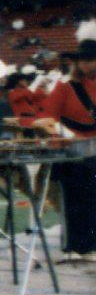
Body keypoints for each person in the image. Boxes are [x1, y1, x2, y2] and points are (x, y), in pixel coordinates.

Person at [31, 20, 96, 259]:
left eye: (92, 60)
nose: (89, 65)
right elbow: (45, 119)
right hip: (71, 152)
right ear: (78, 63)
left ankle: (90, 246)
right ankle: (73, 247)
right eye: (85, 61)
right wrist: (70, 135)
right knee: (73, 202)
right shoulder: (65, 87)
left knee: (92, 201)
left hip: (94, 152)